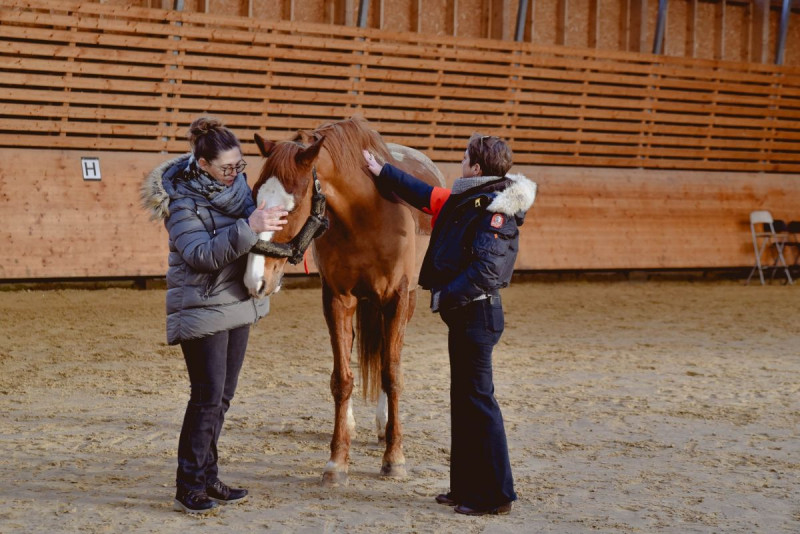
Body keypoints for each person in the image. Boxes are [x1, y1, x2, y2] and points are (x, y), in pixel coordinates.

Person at [363, 134, 536, 516]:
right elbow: (424, 193)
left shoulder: (496, 209)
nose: (460, 162)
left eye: (464, 157)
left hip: (477, 314)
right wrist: (383, 171)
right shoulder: (470, 198)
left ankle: (495, 496)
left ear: (476, 167)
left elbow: (488, 269)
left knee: (480, 403)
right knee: (465, 402)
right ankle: (464, 488)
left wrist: (445, 295)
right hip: (466, 315)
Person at [142, 116, 288, 514]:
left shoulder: (238, 186)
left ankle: (208, 476)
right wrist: (249, 225)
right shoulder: (181, 199)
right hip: (202, 306)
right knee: (205, 398)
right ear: (202, 163)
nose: (235, 173)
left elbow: (259, 231)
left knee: (222, 398)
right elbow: (200, 255)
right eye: (227, 168)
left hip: (237, 303)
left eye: (240, 165)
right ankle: (187, 486)